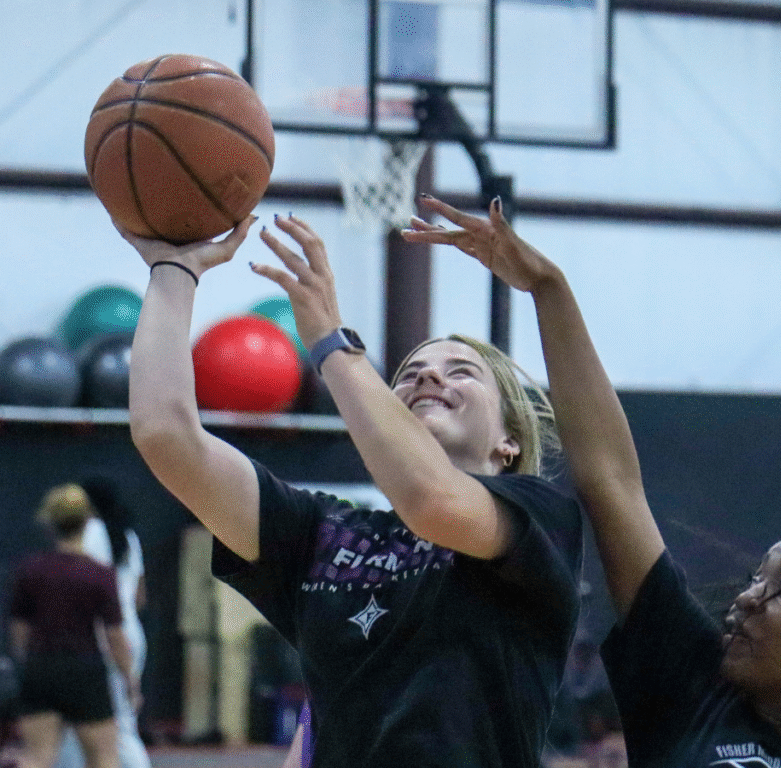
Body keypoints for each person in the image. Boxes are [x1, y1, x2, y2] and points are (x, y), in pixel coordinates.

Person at [402, 196, 781, 768]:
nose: (749, 598)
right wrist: (548, 288)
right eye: (759, 578)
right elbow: (610, 482)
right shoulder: (690, 683)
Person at [117, 212, 583, 768]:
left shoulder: (542, 520)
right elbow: (166, 437)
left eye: (461, 372)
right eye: (409, 374)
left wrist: (331, 344)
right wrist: (173, 269)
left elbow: (432, 501)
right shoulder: (324, 533)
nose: (429, 377)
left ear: (509, 442)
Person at [7, 484, 138, 768]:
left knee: (37, 758)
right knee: (104, 758)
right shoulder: (100, 574)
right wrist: (129, 679)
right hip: (85, 670)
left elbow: (19, 631)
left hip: (41, 666)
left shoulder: (30, 569)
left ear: (49, 523)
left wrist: (28, 664)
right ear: (88, 522)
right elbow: (114, 635)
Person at [55, 478, 150, 768]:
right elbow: (139, 597)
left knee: (87, 721)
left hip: (100, 635)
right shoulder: (128, 537)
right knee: (121, 720)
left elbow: (82, 587)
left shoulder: (89, 532)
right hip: (131, 632)